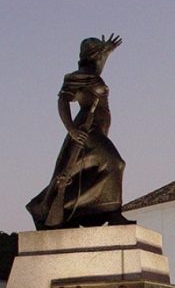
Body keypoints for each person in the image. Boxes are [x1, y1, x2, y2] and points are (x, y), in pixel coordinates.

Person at [27, 34, 134, 230]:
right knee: (115, 162)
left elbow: (97, 68)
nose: (102, 57)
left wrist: (108, 51)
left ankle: (74, 209)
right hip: (88, 128)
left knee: (87, 173)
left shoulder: (92, 75)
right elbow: (63, 100)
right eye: (99, 53)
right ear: (92, 55)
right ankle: (113, 212)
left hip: (100, 129)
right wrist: (71, 129)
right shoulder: (76, 77)